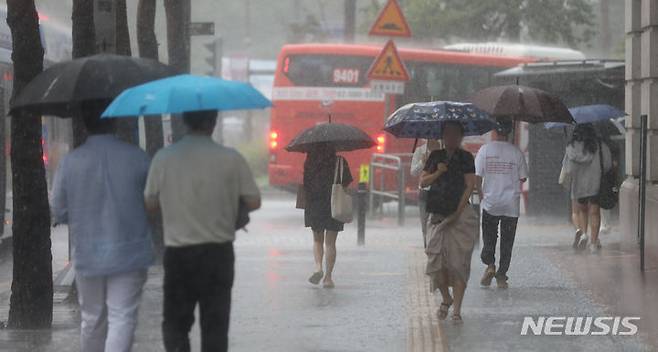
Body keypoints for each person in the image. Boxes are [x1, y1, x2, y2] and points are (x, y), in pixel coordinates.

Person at [144, 110, 261, 352]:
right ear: (213, 122)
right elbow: (254, 201)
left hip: (179, 254)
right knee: (215, 326)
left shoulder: (164, 158)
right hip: (218, 255)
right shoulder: (231, 158)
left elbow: (150, 204)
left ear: (184, 121)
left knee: (176, 324)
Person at [51, 101, 154, 352]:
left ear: (85, 124)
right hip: (130, 252)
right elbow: (152, 201)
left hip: (88, 253)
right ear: (114, 121)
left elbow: (59, 209)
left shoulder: (70, 162)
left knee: (91, 319)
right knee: (122, 317)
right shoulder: (138, 158)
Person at [420, 121, 478, 323]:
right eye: (447, 134)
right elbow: (423, 182)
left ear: (461, 137)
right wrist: (438, 172)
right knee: (434, 261)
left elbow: (470, 185)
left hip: (461, 217)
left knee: (458, 264)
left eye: (455, 134)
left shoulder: (466, 157)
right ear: (442, 136)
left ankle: (457, 311)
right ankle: (446, 298)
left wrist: (457, 212)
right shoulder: (435, 157)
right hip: (436, 214)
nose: (451, 138)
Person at [475, 120, 528, 289]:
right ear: (509, 132)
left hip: (490, 202)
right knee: (507, 242)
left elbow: (477, 176)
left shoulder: (485, 150)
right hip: (511, 204)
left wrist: (481, 193)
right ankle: (502, 275)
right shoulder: (516, 152)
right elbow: (523, 178)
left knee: (489, 237)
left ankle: (490, 264)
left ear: (495, 132)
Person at [303, 144, 353, 288]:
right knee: (330, 243)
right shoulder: (340, 161)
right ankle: (328, 278)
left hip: (315, 204)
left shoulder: (310, 161)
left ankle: (318, 267)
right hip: (334, 204)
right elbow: (346, 183)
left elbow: (306, 183)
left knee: (317, 240)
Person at [559, 123, 612, 254]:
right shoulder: (599, 145)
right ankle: (594, 243)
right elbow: (607, 164)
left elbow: (568, 169)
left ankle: (584, 234)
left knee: (582, 211)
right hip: (595, 184)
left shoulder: (571, 148)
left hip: (579, 186)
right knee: (595, 212)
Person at [410, 139, 441, 247]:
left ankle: (436, 247)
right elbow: (413, 172)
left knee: (438, 223)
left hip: (440, 192)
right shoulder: (420, 151)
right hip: (425, 192)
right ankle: (427, 247)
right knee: (425, 224)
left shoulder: (443, 150)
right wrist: (422, 162)